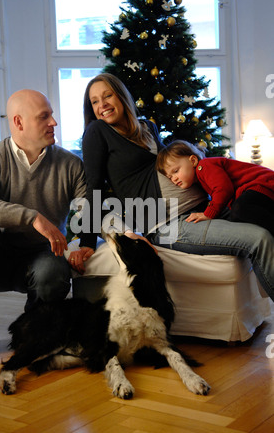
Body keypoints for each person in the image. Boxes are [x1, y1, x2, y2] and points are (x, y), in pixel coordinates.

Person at [70, 73, 274, 308]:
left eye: (107, 96)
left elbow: (172, 163)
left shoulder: (148, 127)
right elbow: (94, 186)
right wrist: (86, 241)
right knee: (260, 239)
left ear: (122, 96)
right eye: (94, 101)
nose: (102, 105)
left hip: (204, 207)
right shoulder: (97, 132)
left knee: (262, 217)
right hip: (167, 223)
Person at [0, 89, 87, 360]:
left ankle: (33, 337)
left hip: (42, 256)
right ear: (19, 122)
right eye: (44, 116)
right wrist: (32, 217)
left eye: (51, 115)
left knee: (52, 270)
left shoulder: (70, 164)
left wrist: (125, 234)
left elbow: (89, 210)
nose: (54, 122)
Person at [156, 139, 274, 234]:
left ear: (192, 160)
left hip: (262, 184)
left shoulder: (205, 166)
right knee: (238, 215)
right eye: (169, 177)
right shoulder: (199, 180)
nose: (174, 179)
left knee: (239, 209)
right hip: (255, 191)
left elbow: (223, 189)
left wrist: (208, 213)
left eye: (176, 171)